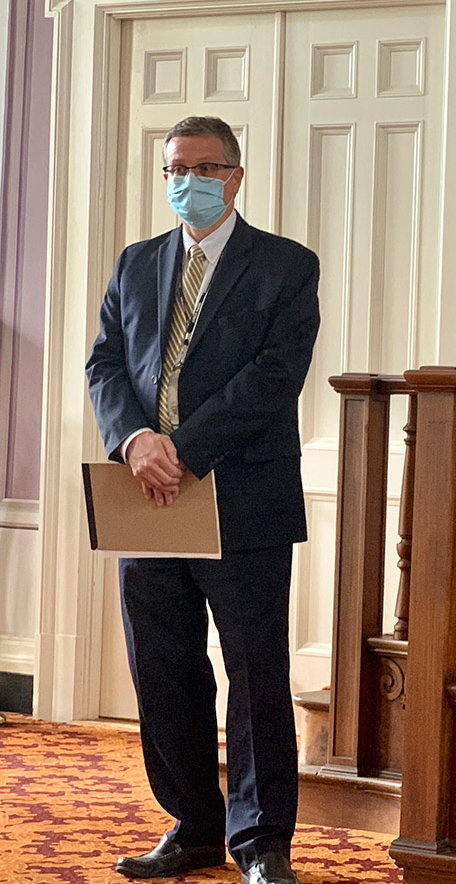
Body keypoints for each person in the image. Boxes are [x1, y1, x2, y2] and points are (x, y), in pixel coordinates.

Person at [86, 115, 320, 884]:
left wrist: (181, 447)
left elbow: (272, 378)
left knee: (255, 674)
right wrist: (135, 442)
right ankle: (193, 825)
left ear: (236, 176)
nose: (186, 181)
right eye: (174, 168)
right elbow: (106, 364)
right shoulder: (136, 262)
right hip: (146, 496)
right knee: (162, 665)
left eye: (204, 168)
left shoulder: (286, 267)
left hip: (241, 494)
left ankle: (261, 843)